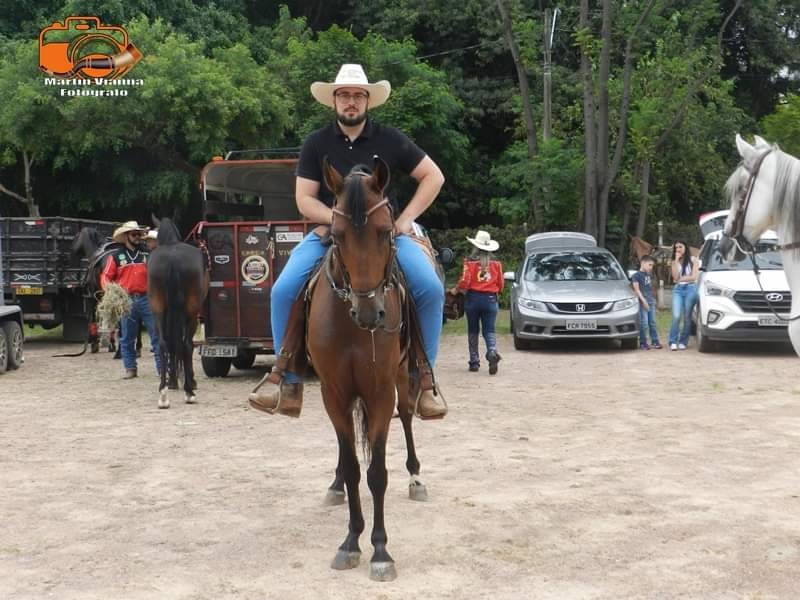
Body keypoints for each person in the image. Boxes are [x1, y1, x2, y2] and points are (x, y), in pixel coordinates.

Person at [249, 63, 447, 419]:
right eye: (344, 95)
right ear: (334, 101)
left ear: (368, 100)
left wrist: (404, 220)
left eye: (357, 95)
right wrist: (337, 221)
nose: (351, 101)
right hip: (333, 234)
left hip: (384, 236)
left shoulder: (391, 139)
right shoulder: (316, 143)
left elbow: (433, 176)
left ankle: (423, 381)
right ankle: (287, 380)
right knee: (282, 290)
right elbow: (304, 199)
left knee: (430, 288)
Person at [100, 221, 162, 379]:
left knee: (156, 335)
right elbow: (106, 276)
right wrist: (110, 291)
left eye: (139, 234)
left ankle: (162, 370)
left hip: (147, 299)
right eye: (134, 234)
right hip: (126, 301)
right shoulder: (115, 256)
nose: (137, 237)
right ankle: (130, 368)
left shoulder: (148, 254)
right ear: (126, 236)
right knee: (127, 337)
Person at [450, 230, 504, 373]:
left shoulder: (469, 262)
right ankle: (492, 352)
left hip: (473, 299)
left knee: (473, 330)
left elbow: (465, 281)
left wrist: (456, 290)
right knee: (489, 330)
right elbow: (501, 284)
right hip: (490, 299)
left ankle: (474, 362)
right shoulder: (496, 263)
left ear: (475, 245)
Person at [668, 240, 698, 351]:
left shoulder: (693, 260)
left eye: (680, 247)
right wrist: (676, 261)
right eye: (676, 248)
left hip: (691, 289)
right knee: (676, 315)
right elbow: (675, 277)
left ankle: (683, 341)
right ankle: (673, 341)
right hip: (678, 290)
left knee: (687, 316)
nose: (678, 249)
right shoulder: (673, 262)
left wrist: (681, 279)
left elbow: (694, 277)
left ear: (685, 247)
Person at [631, 255, 662, 350]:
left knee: (652, 322)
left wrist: (653, 300)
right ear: (643, 263)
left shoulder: (648, 275)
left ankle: (655, 341)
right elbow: (637, 290)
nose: (651, 267)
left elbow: (649, 289)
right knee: (644, 323)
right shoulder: (636, 276)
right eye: (650, 265)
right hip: (642, 302)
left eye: (652, 265)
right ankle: (643, 342)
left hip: (651, 301)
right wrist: (644, 302)